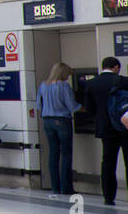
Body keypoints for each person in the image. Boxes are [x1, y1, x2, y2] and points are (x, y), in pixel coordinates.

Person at [79, 56, 128, 206]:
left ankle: (108, 197)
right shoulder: (123, 81)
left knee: (108, 162)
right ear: (116, 67)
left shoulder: (91, 84)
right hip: (124, 126)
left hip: (105, 128)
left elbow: (89, 108)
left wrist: (99, 119)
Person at [37, 61, 76, 197]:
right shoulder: (64, 86)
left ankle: (55, 187)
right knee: (65, 153)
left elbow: (38, 105)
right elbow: (72, 106)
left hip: (47, 121)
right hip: (62, 121)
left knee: (53, 153)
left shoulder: (43, 85)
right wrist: (83, 108)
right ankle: (66, 187)